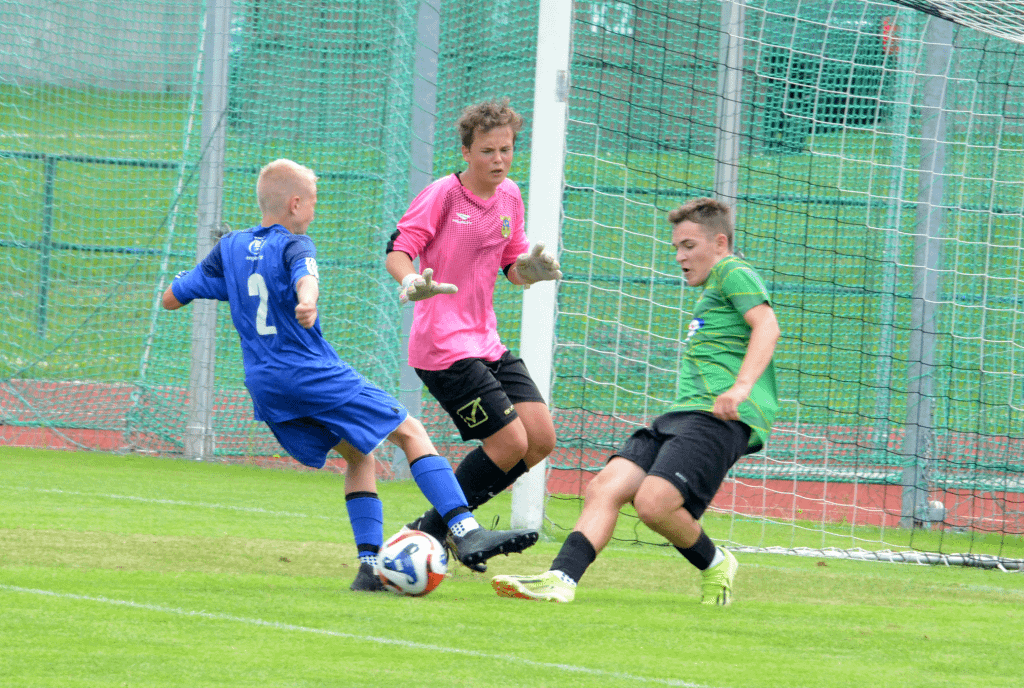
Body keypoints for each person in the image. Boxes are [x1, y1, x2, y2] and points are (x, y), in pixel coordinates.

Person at [161, 158, 539, 592]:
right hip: (309, 372)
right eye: (313, 201)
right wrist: (307, 300)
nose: (315, 210)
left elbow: (172, 297)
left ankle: (369, 569)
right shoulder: (296, 244)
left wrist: (227, 281)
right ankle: (465, 530)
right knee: (411, 432)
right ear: (295, 204)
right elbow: (306, 278)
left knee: (360, 455)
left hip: (265, 386)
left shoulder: (230, 248)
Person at [491, 198, 780, 605]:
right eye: (676, 248)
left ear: (720, 242)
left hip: (718, 415)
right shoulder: (712, 290)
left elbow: (767, 325)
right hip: (683, 412)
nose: (680, 257)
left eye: (689, 246)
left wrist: (741, 387)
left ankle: (716, 562)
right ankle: (560, 579)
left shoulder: (733, 270)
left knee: (654, 504)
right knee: (605, 487)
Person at [384, 99, 562, 571]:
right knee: (509, 443)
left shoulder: (510, 196)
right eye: (487, 151)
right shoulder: (443, 194)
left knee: (540, 439)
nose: (499, 160)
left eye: (506, 149)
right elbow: (398, 249)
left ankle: (435, 529)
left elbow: (512, 266)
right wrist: (410, 280)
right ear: (466, 152)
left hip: (486, 341)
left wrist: (531, 270)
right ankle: (445, 531)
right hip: (442, 347)